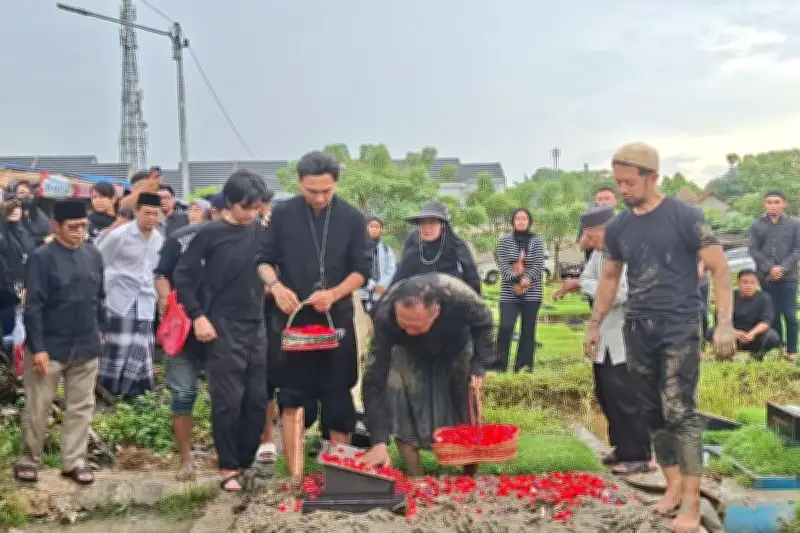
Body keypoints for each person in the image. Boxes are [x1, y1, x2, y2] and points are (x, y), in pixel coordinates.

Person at [587, 141, 735, 533]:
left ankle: (690, 503)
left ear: (653, 178)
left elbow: (720, 270)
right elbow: (609, 277)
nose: (623, 189)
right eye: (617, 182)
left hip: (679, 324)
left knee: (680, 411)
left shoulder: (685, 217)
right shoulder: (619, 226)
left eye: (629, 182)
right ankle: (671, 487)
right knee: (651, 411)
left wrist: (723, 324)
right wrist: (594, 323)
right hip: (638, 326)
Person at [257, 150, 372, 488]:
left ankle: (340, 477)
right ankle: (294, 477)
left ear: (336, 184)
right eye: (312, 191)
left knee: (338, 396)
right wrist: (275, 286)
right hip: (292, 320)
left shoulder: (352, 217)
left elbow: (362, 271)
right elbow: (263, 260)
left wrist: (334, 293)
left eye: (326, 191)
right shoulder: (282, 214)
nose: (320, 198)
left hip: (334, 319)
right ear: (299, 183)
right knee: (292, 394)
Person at [174, 170, 271, 492]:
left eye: (256, 207)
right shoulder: (209, 234)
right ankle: (228, 466)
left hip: (256, 322)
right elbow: (184, 277)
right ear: (230, 203)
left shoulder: (262, 233)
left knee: (257, 399)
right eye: (246, 207)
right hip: (221, 324)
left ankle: (245, 461)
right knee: (228, 399)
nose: (251, 213)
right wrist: (198, 316)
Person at [359, 273, 494, 475]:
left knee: (465, 403)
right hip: (408, 352)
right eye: (403, 325)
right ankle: (416, 476)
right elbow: (374, 376)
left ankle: (469, 476)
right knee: (398, 398)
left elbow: (485, 324)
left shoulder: (458, 295)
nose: (409, 331)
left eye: (416, 326)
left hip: (455, 346)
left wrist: (479, 364)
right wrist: (378, 440)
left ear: (436, 311)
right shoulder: (386, 312)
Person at [555, 206, 653, 474]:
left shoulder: (627, 253)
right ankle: (621, 447)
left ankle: (639, 455)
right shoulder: (600, 255)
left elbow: (619, 293)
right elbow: (588, 278)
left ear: (604, 231)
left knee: (627, 395)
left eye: (591, 235)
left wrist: (586, 286)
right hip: (606, 333)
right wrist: (591, 285)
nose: (589, 241)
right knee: (607, 393)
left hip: (626, 333)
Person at [14, 200, 104, 485]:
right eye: (73, 227)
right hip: (49, 346)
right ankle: (29, 460)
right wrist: (38, 347)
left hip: (86, 344)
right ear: (56, 226)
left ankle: (74, 461)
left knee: (81, 406)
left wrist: (100, 329)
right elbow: (33, 307)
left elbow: (99, 297)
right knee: (38, 406)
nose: (79, 232)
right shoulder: (42, 258)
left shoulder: (93, 255)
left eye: (83, 226)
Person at [153, 194, 218, 481]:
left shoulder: (239, 241)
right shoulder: (180, 238)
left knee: (224, 394)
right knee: (183, 394)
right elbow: (161, 273)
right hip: (182, 330)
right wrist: (166, 298)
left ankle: (223, 451)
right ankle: (185, 458)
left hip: (221, 329)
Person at [97, 192, 164, 398]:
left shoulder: (158, 238)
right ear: (136, 212)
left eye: (156, 214)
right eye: (147, 213)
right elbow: (99, 261)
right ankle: (109, 388)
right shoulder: (120, 235)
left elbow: (155, 270)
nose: (152, 218)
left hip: (145, 298)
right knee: (118, 345)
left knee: (140, 346)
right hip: (119, 296)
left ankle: (136, 390)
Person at [748, 190, 800, 362]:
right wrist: (770, 268)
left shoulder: (794, 224)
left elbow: (797, 250)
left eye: (777, 202)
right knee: (774, 313)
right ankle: (779, 348)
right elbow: (753, 249)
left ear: (784, 203)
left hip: (789, 276)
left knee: (790, 314)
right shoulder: (756, 225)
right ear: (765, 204)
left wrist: (782, 268)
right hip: (766, 277)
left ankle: (792, 351)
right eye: (769, 202)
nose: (773, 205)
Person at [492, 208, 545, 372]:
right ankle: (499, 366)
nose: (521, 221)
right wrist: (517, 280)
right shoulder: (504, 241)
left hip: (532, 292)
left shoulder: (537, 241)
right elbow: (503, 266)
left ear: (529, 221)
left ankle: (524, 367)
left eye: (524, 218)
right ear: (513, 221)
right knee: (505, 328)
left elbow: (538, 265)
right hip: (509, 293)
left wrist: (526, 280)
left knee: (528, 331)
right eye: (517, 218)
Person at [391, 202, 481, 295]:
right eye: (423, 223)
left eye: (432, 222)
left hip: (453, 302)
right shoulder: (414, 252)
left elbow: (473, 282)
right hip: (420, 305)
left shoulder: (457, 248)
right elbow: (396, 285)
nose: (426, 227)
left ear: (442, 225)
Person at [706, 269, 781, 360]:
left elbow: (766, 322)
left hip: (753, 336)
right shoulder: (730, 297)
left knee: (772, 336)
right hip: (732, 334)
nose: (748, 286)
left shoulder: (764, 298)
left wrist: (752, 334)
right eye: (744, 282)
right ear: (738, 283)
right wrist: (733, 332)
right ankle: (725, 354)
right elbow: (719, 320)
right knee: (710, 332)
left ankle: (757, 355)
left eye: (752, 282)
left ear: (757, 284)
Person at [357, 216, 397, 314]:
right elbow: (357, 269)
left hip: (381, 294)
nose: (374, 229)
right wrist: (372, 285)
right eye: (371, 226)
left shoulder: (386, 249)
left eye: (377, 227)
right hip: (362, 294)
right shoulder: (358, 249)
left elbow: (391, 269)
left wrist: (382, 285)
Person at [14, 181, 51, 247]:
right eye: (22, 193)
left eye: (29, 193)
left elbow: (49, 231)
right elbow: (22, 239)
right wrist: (43, 240)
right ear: (15, 195)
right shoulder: (12, 215)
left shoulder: (37, 213)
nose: (26, 196)